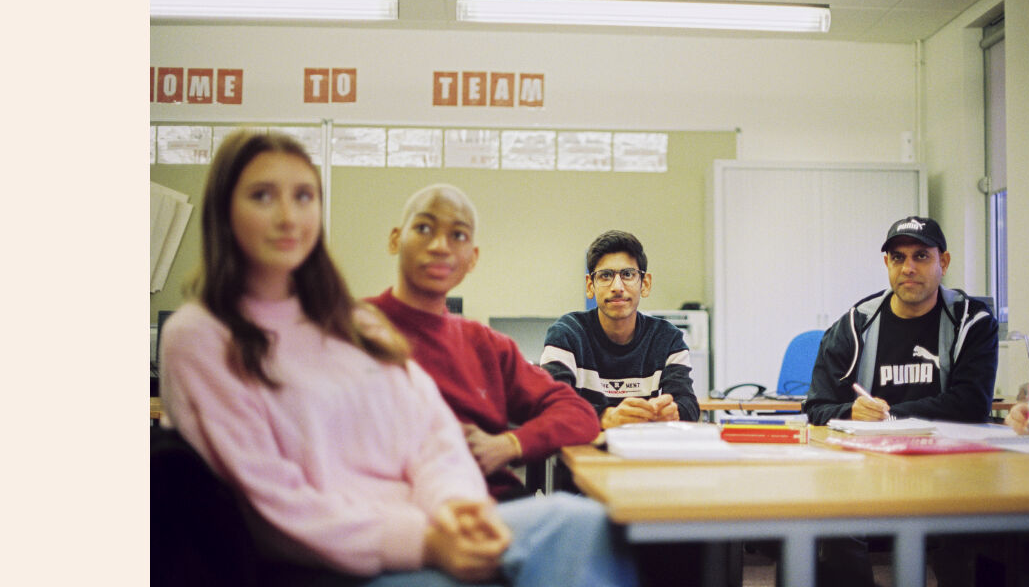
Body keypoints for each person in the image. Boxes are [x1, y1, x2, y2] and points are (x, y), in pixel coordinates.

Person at [159, 130, 636, 587]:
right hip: (348, 558)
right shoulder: (201, 336)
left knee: (579, 523)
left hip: (439, 522)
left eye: (303, 197)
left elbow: (431, 438)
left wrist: (459, 508)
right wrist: (429, 543)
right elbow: (271, 502)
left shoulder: (350, 325)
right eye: (263, 195)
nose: (288, 217)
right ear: (224, 210)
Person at [364, 184, 600, 502]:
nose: (439, 246)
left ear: (472, 258)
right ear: (395, 239)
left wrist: (509, 445)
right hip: (393, 510)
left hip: (494, 506)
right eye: (423, 228)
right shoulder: (352, 330)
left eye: (458, 235)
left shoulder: (487, 346)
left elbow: (577, 413)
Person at [805, 215, 999, 426]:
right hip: (872, 453)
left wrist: (889, 416)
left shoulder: (971, 322)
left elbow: (972, 405)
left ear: (943, 263)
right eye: (898, 258)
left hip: (947, 453)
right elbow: (817, 407)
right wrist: (851, 412)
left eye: (921, 256)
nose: (908, 268)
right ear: (887, 263)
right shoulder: (854, 325)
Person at [540, 230, 700, 428]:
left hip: (644, 455)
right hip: (583, 455)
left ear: (645, 284)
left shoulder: (668, 339)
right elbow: (550, 406)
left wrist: (672, 412)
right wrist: (606, 417)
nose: (617, 286)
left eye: (627, 274)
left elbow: (688, 405)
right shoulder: (567, 335)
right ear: (590, 285)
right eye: (605, 275)